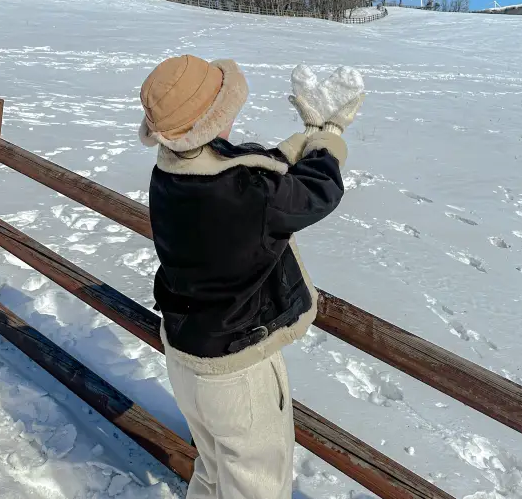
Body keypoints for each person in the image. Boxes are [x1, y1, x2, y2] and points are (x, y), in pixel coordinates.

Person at [138, 54, 363, 499]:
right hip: (236, 370)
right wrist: (330, 136)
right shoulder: (247, 194)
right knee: (257, 487)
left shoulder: (170, 170)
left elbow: (251, 166)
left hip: (185, 354)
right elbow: (315, 192)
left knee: (213, 472)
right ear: (214, 118)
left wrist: (304, 139)